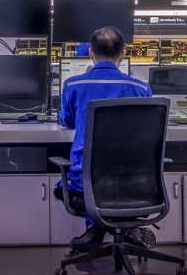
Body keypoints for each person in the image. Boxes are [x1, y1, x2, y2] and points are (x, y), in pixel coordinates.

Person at [55, 26, 150, 249]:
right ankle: (124, 228)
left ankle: (96, 230)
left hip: (85, 184)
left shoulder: (73, 85)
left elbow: (67, 121)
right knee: (111, 176)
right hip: (135, 183)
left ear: (90, 53)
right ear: (122, 55)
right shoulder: (141, 88)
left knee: (80, 178)